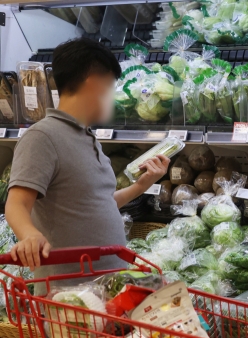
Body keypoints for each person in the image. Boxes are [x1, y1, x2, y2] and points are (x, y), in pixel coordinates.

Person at [6, 38, 170, 280]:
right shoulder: (42, 136)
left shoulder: (87, 137)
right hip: (69, 295)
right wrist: (29, 234)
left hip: (105, 285)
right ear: (94, 84)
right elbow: (16, 203)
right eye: (111, 88)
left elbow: (98, 203)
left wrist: (141, 186)